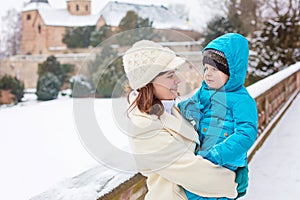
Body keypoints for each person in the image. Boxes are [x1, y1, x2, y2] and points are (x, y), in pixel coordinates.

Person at [123, 40, 246, 200]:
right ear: (149, 83)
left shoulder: (170, 110)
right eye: (170, 75)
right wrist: (234, 182)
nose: (178, 80)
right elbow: (190, 171)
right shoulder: (144, 126)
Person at [178, 33, 258, 199]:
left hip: (225, 162)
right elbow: (184, 110)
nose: (207, 74)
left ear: (232, 71)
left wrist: (218, 154)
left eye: (215, 69)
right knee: (192, 193)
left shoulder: (241, 100)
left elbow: (246, 133)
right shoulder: (204, 92)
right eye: (206, 68)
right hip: (202, 159)